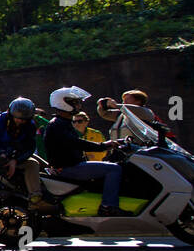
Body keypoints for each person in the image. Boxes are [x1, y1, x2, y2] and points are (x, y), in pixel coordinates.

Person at [43, 86, 130, 215]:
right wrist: (103, 146)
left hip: (71, 165)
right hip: (69, 167)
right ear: (64, 103)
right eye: (75, 102)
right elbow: (76, 143)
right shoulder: (58, 125)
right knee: (114, 169)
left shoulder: (62, 122)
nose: (79, 105)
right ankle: (108, 206)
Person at [0, 97, 52, 211]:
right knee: (32, 164)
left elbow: (30, 147)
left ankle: (51, 193)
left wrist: (15, 159)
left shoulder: (30, 125)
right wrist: (4, 155)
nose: (20, 121)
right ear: (10, 113)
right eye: (17, 118)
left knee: (44, 164)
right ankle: (35, 199)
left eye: (24, 119)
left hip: (15, 156)